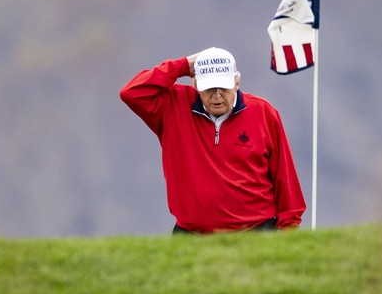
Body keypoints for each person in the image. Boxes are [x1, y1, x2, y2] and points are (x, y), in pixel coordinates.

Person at [120, 47, 306, 234]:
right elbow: (131, 92)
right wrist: (182, 66)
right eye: (209, 88)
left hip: (257, 231)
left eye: (223, 88)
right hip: (191, 235)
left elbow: (285, 176)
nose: (217, 96)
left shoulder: (264, 113)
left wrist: (289, 229)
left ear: (237, 82)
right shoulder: (172, 106)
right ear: (195, 84)